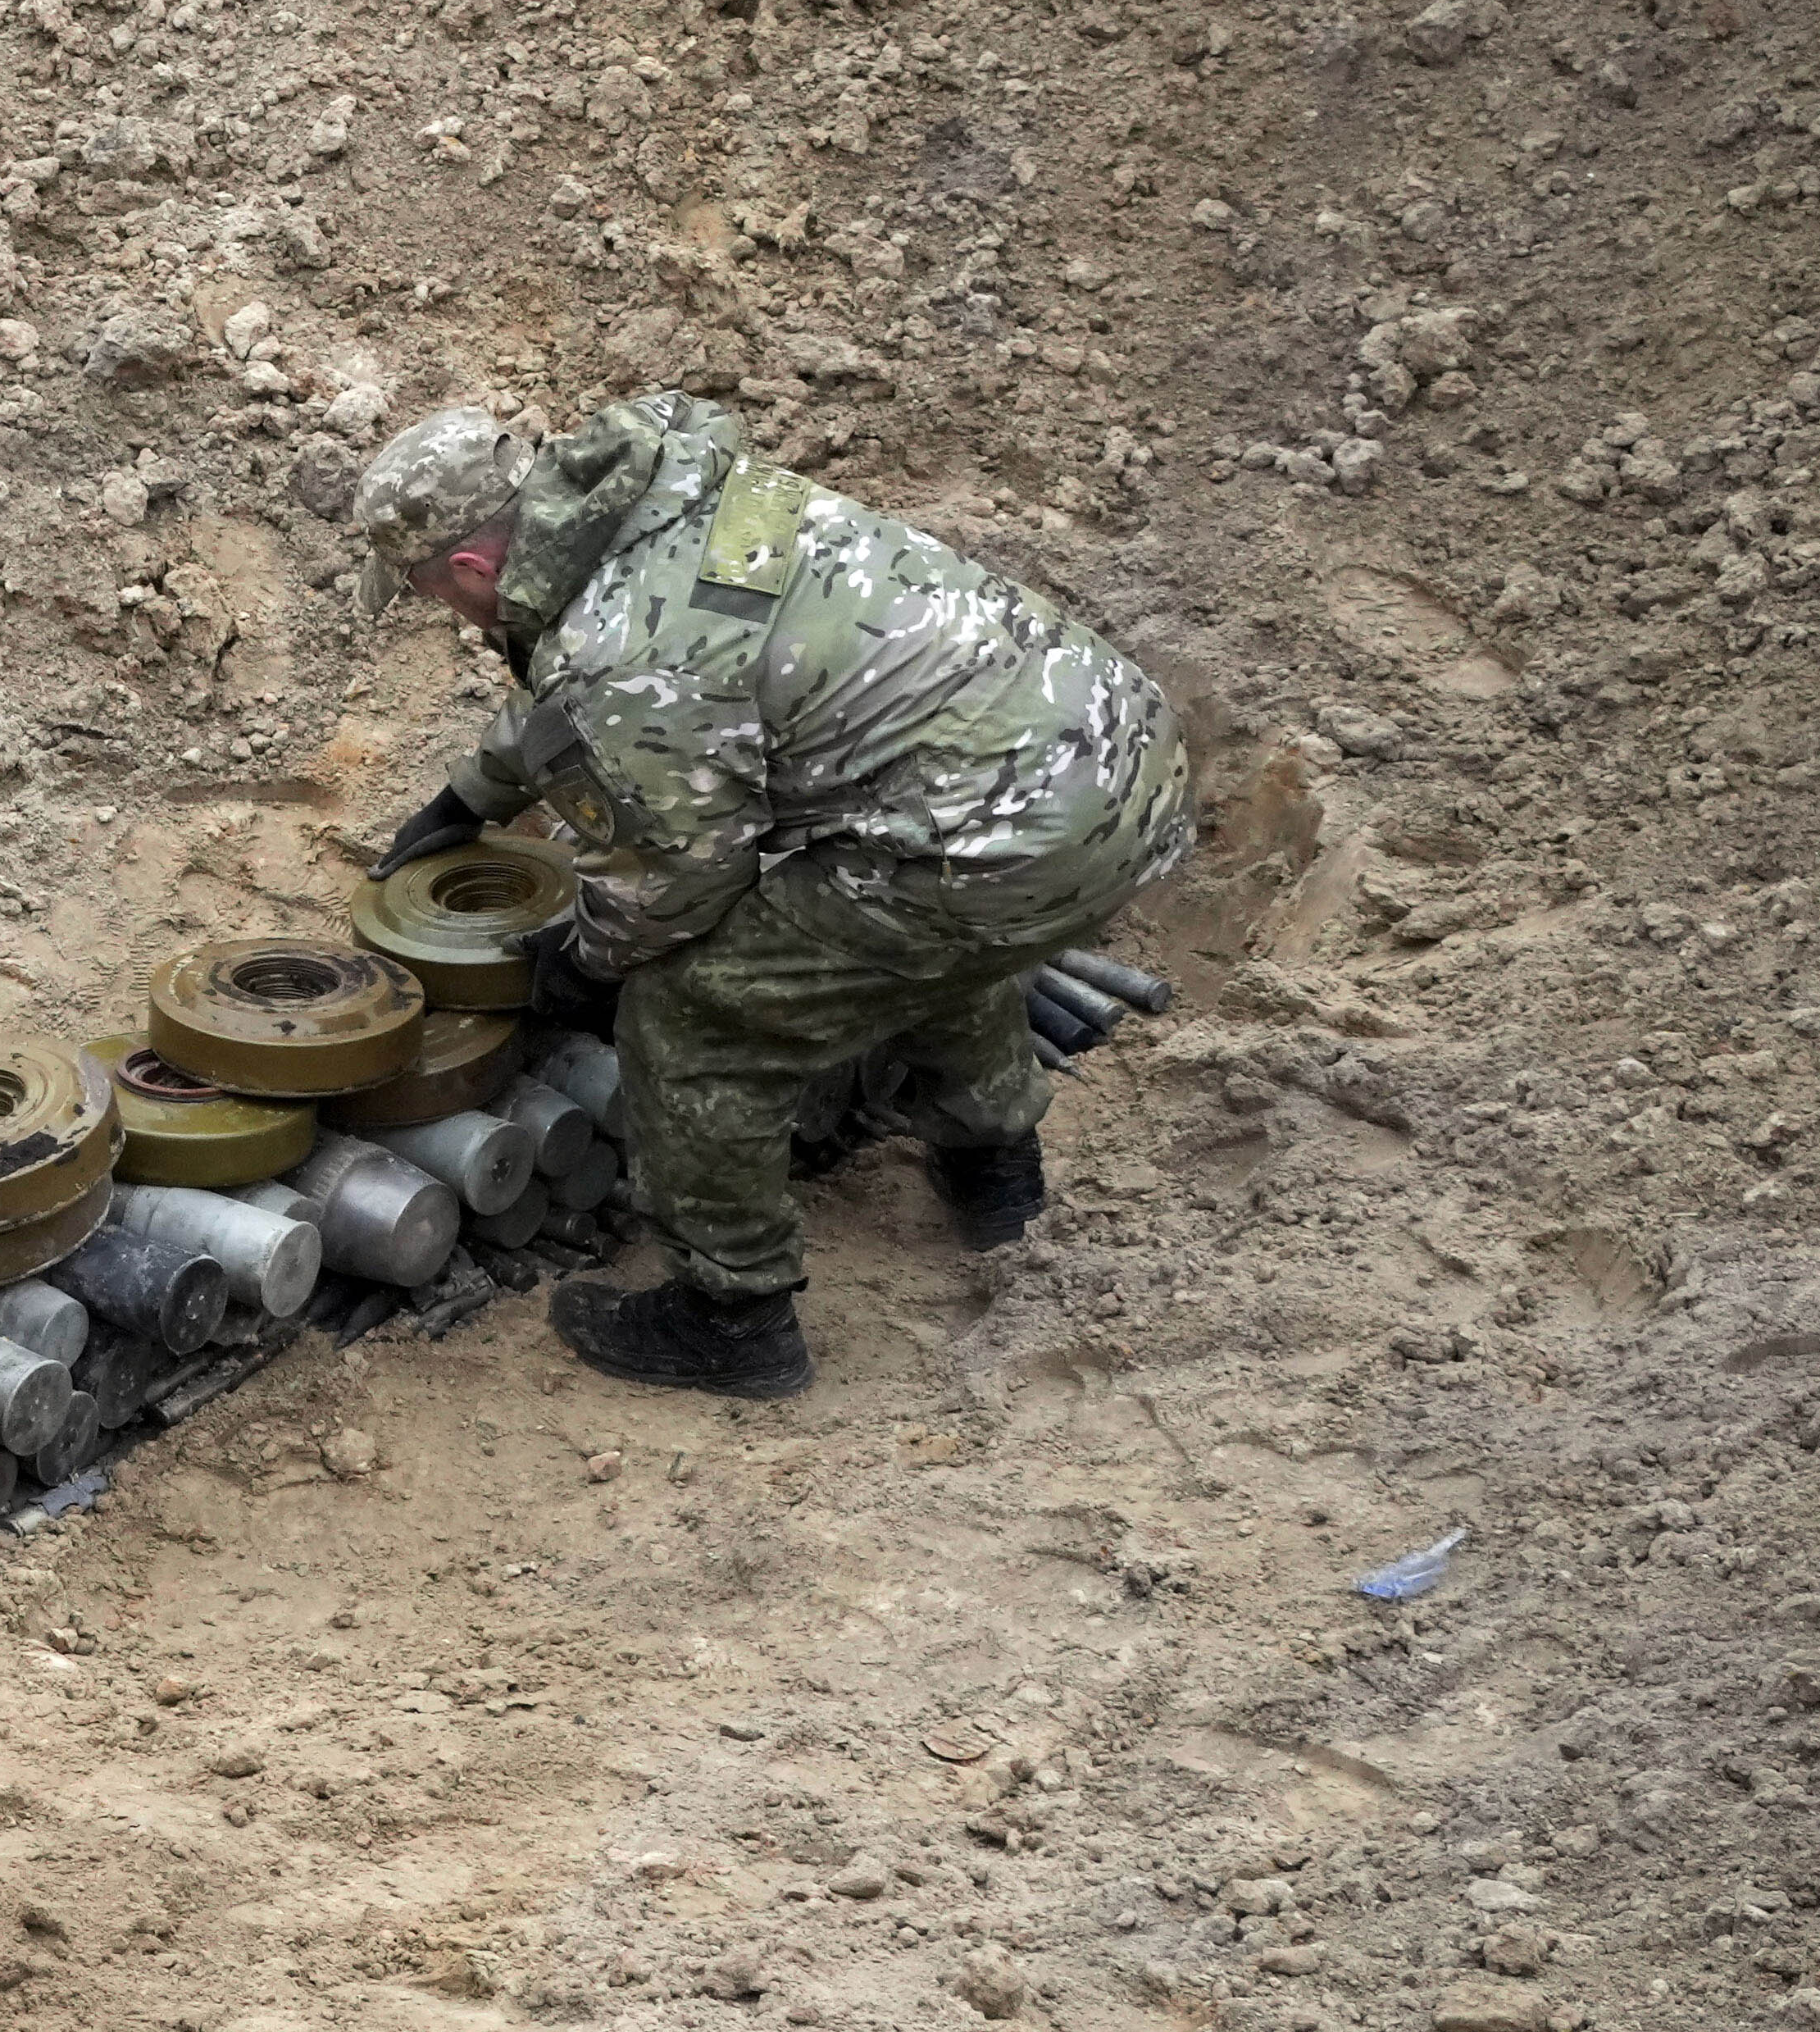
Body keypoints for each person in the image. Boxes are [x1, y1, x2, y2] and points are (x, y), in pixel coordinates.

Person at [348, 394, 1190, 1400]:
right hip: (1115, 757)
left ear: (474, 569)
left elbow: (675, 878)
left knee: (693, 1014)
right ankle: (993, 1172)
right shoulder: (664, 497)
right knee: (911, 946)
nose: (441, 611)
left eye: (427, 591)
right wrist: (474, 792)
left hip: (998, 849)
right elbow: (614, 675)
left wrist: (580, 966)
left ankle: (729, 1319)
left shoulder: (619, 655)